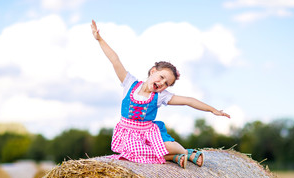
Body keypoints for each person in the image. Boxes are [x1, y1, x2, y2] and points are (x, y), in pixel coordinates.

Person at [91, 20, 230, 168]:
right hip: (129, 136)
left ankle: (181, 153)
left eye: (166, 84)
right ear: (153, 71)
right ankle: (179, 157)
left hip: (150, 133)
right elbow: (115, 60)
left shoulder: (161, 96)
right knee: (134, 153)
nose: (162, 83)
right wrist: (99, 39)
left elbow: (189, 101)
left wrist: (213, 110)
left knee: (173, 147)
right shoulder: (128, 83)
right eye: (161, 77)